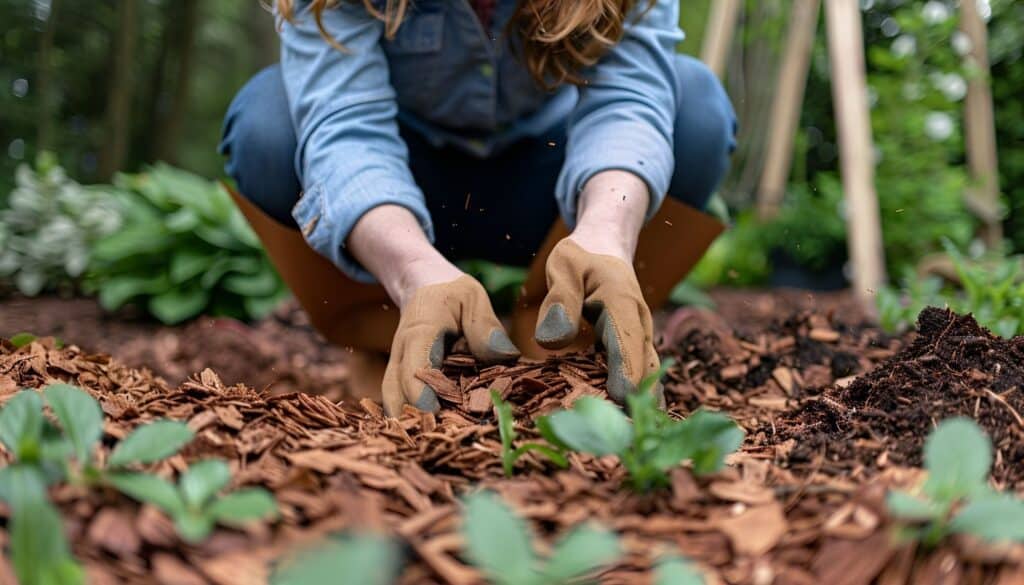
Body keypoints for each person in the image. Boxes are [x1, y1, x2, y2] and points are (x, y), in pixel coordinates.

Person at [220, 0, 736, 416]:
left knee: (696, 110)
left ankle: (570, 340)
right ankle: (395, 343)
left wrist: (607, 233)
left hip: (549, 180)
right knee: (266, 126)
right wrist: (413, 271)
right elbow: (343, 127)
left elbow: (630, 100)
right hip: (400, 190)